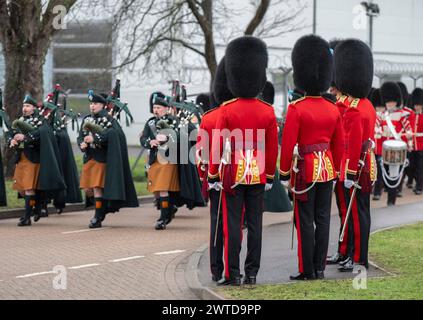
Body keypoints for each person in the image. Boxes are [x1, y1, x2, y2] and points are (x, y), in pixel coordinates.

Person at [208, 36, 278, 286]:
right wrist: (270, 175)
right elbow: (271, 148)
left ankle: (233, 273)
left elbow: (217, 145)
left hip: (233, 173)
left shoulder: (227, 109)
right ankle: (252, 273)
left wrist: (214, 175)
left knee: (233, 226)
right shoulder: (267, 110)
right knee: (256, 226)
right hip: (258, 171)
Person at [279, 35, 344, 280]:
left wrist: (284, 173)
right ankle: (319, 268)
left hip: (306, 169)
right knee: (323, 218)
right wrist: (336, 169)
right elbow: (338, 145)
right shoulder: (333, 108)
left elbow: (287, 145)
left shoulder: (298, 108)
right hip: (327, 168)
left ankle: (307, 269)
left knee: (305, 220)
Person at [335, 39, 376, 272]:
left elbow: (352, 143)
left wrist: (349, 172)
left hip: (356, 166)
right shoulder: (364, 104)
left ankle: (359, 257)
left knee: (358, 215)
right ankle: (351, 252)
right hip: (360, 164)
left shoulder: (356, 108)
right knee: (356, 213)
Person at [196, 57, 234, 283]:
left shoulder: (209, 118)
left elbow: (201, 154)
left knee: (217, 225)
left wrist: (207, 178)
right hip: (240, 177)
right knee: (235, 226)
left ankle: (216, 268)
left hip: (216, 178)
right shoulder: (244, 113)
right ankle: (234, 269)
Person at [78, 91, 138, 228]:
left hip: (101, 158)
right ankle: (102, 208)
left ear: (103, 105)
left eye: (96, 104)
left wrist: (96, 138)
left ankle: (97, 217)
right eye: (91, 104)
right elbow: (81, 135)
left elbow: (115, 135)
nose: (92, 106)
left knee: (97, 187)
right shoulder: (87, 119)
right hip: (89, 157)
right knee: (88, 189)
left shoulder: (110, 120)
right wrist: (82, 143)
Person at [8, 95, 65, 226]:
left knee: (29, 188)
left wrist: (25, 137)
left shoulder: (40, 121)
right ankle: (37, 206)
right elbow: (13, 134)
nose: (25, 108)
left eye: (28, 106)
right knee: (21, 189)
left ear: (34, 108)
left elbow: (43, 134)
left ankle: (26, 217)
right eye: (24, 106)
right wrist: (13, 141)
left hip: (33, 158)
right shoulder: (20, 120)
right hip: (21, 158)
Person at [140, 92, 181, 230]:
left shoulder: (173, 121)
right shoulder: (150, 122)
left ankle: (163, 218)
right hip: (154, 159)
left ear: (166, 108)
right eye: (154, 107)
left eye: (159, 107)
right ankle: (169, 209)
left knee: (163, 188)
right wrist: (149, 141)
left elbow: (180, 139)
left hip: (167, 159)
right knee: (156, 190)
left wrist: (168, 138)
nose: (156, 110)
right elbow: (143, 138)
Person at [379, 82, 412, 206]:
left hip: (396, 150)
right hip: (384, 149)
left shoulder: (402, 116)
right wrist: (380, 132)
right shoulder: (383, 115)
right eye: (387, 102)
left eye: (391, 102)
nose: (389, 104)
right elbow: (377, 131)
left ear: (396, 101)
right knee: (383, 175)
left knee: (394, 176)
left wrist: (403, 138)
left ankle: (391, 200)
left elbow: (409, 132)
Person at [370, 88, 385, 200]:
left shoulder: (386, 117)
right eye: (378, 106)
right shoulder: (372, 115)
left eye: (381, 106)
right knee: (371, 170)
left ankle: (378, 191)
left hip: (380, 148)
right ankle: (371, 188)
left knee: (379, 171)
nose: (379, 109)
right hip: (371, 148)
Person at [411, 88, 423, 195]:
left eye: (418, 105)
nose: (417, 107)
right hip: (413, 145)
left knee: (420, 167)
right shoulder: (412, 116)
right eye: (416, 105)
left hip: (421, 145)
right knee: (413, 167)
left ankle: (419, 186)